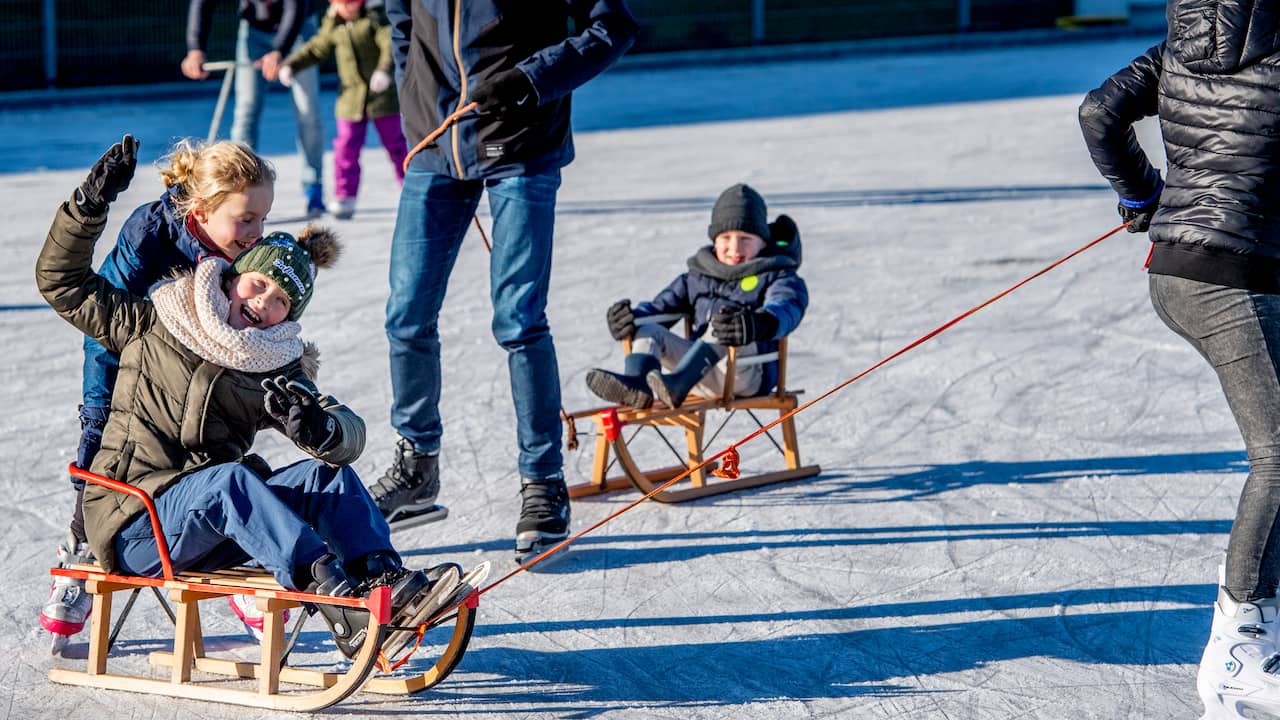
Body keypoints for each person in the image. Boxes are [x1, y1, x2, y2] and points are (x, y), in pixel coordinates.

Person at [36, 137, 465, 659]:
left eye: (282, 300)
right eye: (258, 284)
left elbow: (346, 433)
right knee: (231, 481)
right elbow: (61, 281)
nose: (264, 303)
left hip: (209, 525)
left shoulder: (271, 365)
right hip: (136, 523)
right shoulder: (150, 322)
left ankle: (383, 579)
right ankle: (333, 595)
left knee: (321, 475)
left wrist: (324, 428)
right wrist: (88, 205)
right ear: (234, 274)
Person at [374, 0, 639, 564]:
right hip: (436, 144)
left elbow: (613, 26)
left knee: (518, 320)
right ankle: (418, 466)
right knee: (406, 315)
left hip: (523, 143)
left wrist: (530, 81)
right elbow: (402, 23)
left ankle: (543, 480)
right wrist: (416, 103)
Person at [1078, 3, 1280, 717]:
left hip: (1182, 271)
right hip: (1237, 282)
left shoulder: (1178, 46)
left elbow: (1098, 113)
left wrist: (1142, 196)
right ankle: (1239, 654)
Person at [40, 137, 276, 648]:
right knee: (107, 454)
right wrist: (101, 408)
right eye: (247, 219)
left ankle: (232, 550)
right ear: (204, 206)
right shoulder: (152, 232)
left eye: (264, 218)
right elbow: (101, 314)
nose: (258, 233)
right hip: (130, 360)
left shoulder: (247, 251)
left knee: (220, 456)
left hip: (202, 385)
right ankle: (81, 557)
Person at [586, 184, 808, 410]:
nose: (734, 248)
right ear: (714, 240)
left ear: (763, 241)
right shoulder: (697, 277)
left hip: (747, 375)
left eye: (745, 238)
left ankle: (677, 385)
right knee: (649, 329)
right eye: (726, 238)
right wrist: (630, 320)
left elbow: (788, 307)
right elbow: (660, 309)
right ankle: (637, 384)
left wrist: (759, 323)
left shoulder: (777, 275)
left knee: (723, 325)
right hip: (696, 374)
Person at [182, 0, 328, 218]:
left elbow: (294, 7)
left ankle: (313, 185)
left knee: (307, 111)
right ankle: (237, 189)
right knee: (246, 111)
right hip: (255, 30)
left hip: (299, 28)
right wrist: (195, 49)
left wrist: (280, 50)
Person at [279, 0, 407, 220]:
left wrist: (384, 70)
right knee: (346, 147)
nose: (342, 9)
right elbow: (317, 47)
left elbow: (389, 45)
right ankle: (345, 195)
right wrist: (292, 64)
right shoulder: (334, 23)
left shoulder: (375, 19)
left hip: (382, 96)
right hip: (350, 98)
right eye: (338, 4)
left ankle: (409, 188)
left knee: (396, 144)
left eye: (348, 4)